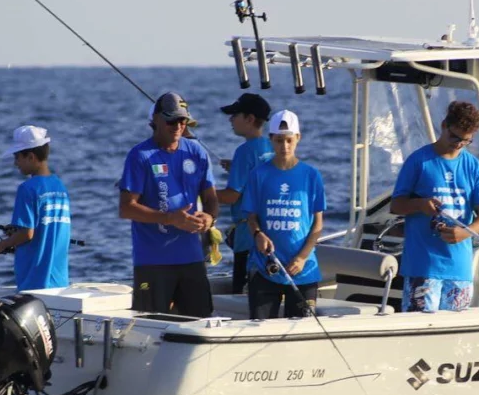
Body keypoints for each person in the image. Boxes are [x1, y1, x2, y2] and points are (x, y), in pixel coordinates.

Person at [118, 91, 218, 317]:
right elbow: (126, 208)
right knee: (149, 328)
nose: (178, 126)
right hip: (152, 262)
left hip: (192, 259)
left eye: (182, 120)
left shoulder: (197, 152)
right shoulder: (139, 155)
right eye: (172, 120)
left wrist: (209, 218)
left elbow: (211, 199)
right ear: (155, 121)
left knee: (200, 322)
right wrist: (169, 218)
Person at [389, 100, 479, 313]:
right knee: (418, 330)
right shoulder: (419, 161)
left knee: (455, 335)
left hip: (460, 269)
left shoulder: (474, 167)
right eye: (454, 137)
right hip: (423, 267)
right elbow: (396, 205)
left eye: (466, 141)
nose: (458, 144)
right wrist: (420, 204)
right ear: (444, 125)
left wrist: (466, 232)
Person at [242, 109, 326, 319]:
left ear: (298, 138)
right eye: (279, 141)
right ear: (270, 139)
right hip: (266, 267)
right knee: (259, 329)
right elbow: (251, 216)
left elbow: (317, 225)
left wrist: (302, 257)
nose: (284, 146)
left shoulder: (311, 175)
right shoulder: (258, 175)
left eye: (289, 140)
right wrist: (258, 234)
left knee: (302, 333)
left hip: (303, 270)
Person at [0, 125, 72, 291]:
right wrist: (16, 232)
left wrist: (1, 245)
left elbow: (27, 234)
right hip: (59, 279)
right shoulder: (60, 186)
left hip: (34, 280)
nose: (15, 163)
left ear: (31, 156)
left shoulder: (27, 188)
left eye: (17, 157)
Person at [215, 93, 274, 294]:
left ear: (249, 119)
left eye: (234, 115)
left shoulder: (244, 151)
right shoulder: (271, 147)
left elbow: (231, 196)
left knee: (241, 293)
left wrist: (200, 193)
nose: (230, 119)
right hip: (272, 235)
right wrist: (236, 168)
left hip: (248, 238)